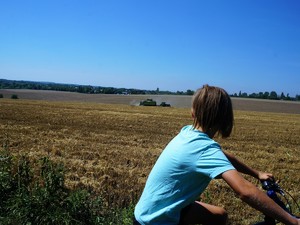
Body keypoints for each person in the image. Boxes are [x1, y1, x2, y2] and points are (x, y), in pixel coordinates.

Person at [134, 85, 300, 225]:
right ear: (225, 119)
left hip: (153, 208)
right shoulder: (204, 149)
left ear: (193, 113)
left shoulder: (189, 132)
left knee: (220, 215)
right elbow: (245, 192)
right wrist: (293, 221)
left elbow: (224, 156)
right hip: (155, 220)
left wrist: (257, 173)